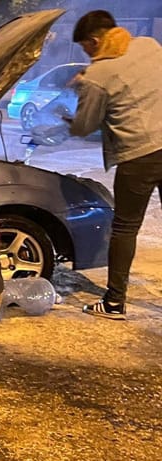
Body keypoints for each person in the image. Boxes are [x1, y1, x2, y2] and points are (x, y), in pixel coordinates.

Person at [65, 10, 162, 319]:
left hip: (139, 154)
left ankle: (114, 302)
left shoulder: (98, 76)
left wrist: (80, 89)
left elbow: (83, 126)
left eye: (84, 48)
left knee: (125, 228)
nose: (86, 55)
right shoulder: (149, 45)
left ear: (94, 41)